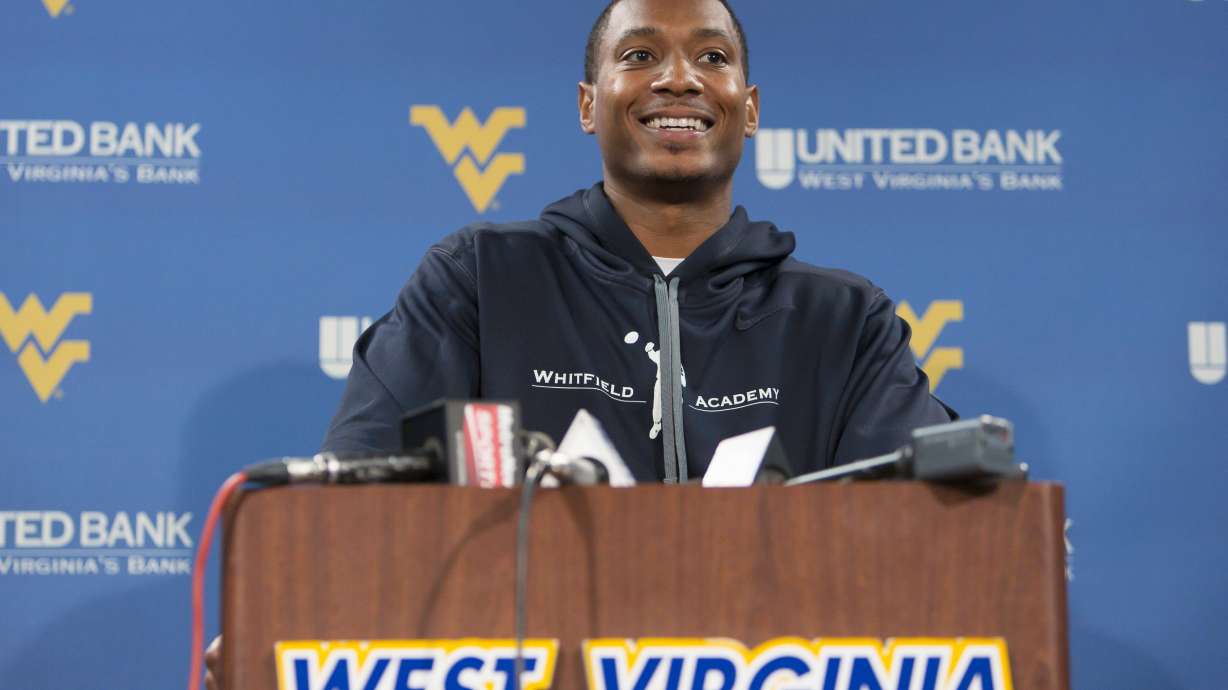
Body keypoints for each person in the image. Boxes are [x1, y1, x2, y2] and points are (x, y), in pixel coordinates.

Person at [205, 0, 951, 681]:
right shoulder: (479, 278)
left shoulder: (843, 318)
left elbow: (922, 533)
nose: (680, 79)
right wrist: (287, 623)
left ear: (748, 110)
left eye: (713, 58)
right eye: (639, 56)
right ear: (588, 106)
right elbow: (363, 498)